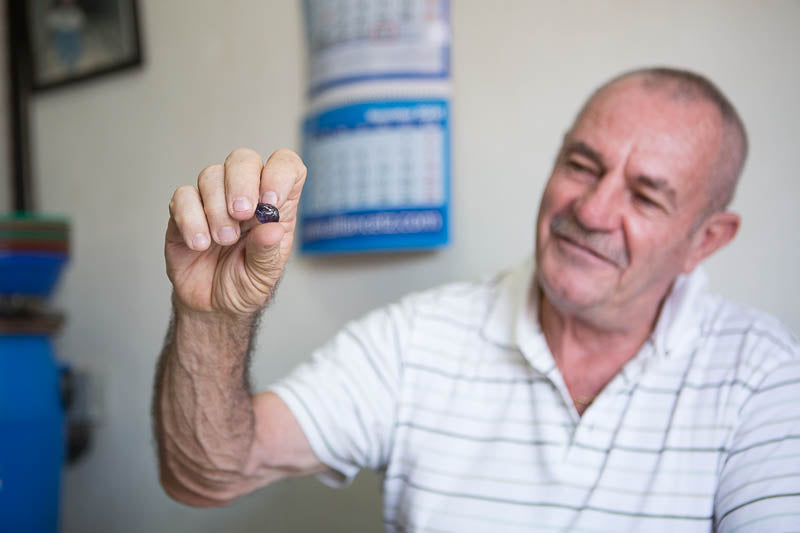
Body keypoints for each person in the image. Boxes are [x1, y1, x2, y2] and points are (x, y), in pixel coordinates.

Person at [152, 67, 800, 532]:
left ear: (705, 240)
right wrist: (214, 316)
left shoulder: (763, 376)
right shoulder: (418, 337)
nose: (593, 209)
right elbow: (206, 473)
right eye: (582, 164)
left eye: (646, 195)